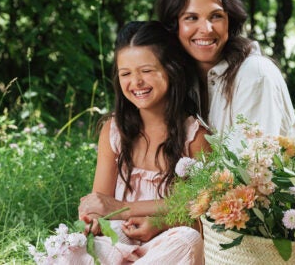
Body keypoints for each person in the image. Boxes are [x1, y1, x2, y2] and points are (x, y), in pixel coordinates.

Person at [70, 21, 209, 264]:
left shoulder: (195, 137)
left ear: (171, 70)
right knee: (76, 248)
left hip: (165, 245)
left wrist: (154, 220)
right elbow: (101, 204)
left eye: (146, 71)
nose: (136, 82)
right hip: (121, 240)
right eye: (126, 74)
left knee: (187, 240)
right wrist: (92, 219)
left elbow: (202, 215)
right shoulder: (113, 131)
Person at [154, 0, 295, 140]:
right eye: (191, 18)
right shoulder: (180, 76)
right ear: (173, 25)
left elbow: (253, 164)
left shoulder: (255, 74)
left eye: (216, 16)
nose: (206, 29)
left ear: (230, 20)